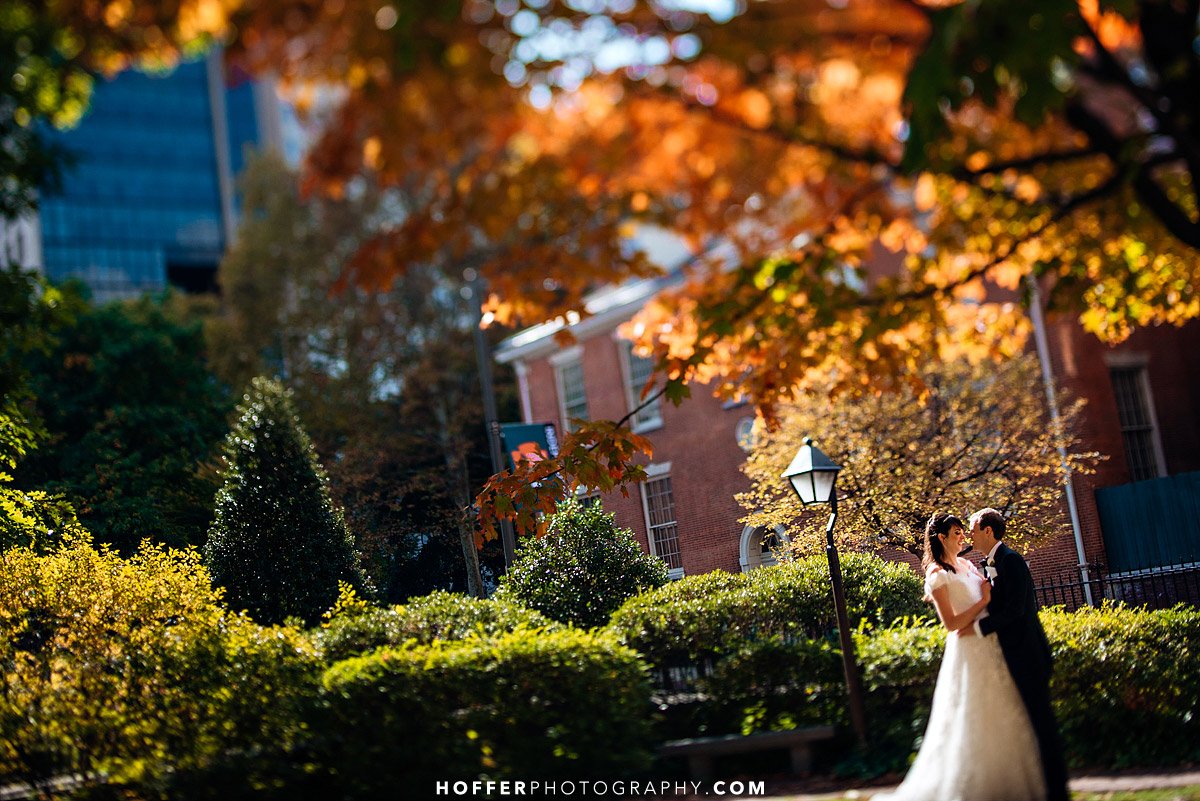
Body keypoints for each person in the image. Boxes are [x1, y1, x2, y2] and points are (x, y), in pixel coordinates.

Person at [871, 512, 1046, 801]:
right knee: (974, 714)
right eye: (956, 533)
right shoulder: (937, 576)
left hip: (991, 644)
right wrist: (985, 604)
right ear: (941, 538)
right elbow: (951, 624)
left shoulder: (966, 564)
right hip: (969, 649)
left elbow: (993, 594)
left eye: (964, 531)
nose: (963, 537)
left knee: (1003, 711)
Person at [961, 507, 1070, 801]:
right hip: (1013, 656)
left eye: (972, 527)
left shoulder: (1012, 561)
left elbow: (1016, 610)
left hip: (1029, 656)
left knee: (1043, 725)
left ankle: (1058, 793)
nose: (969, 533)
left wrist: (978, 627)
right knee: (1030, 727)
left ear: (988, 530)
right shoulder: (990, 564)